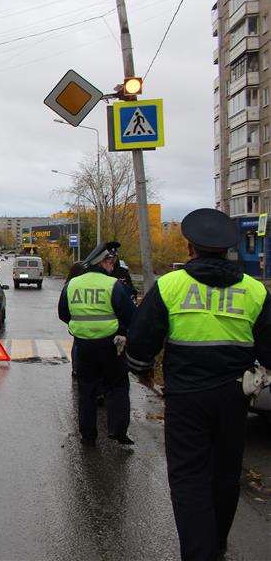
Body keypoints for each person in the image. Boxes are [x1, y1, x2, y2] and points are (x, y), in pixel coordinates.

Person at [126, 208, 271, 561]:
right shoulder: (254, 291)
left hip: (186, 398)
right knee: (225, 474)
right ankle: (217, 543)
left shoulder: (170, 285)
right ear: (227, 250)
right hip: (234, 397)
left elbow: (143, 337)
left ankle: (199, 553)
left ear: (189, 248)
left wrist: (143, 370)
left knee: (189, 477)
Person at [58, 241, 136, 446]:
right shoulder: (113, 285)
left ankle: (88, 435)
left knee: (87, 390)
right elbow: (129, 315)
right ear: (103, 261)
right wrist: (121, 331)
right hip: (111, 345)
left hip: (83, 346)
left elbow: (63, 313)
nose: (114, 264)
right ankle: (118, 431)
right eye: (111, 260)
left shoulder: (72, 284)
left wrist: (84, 327)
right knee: (118, 386)